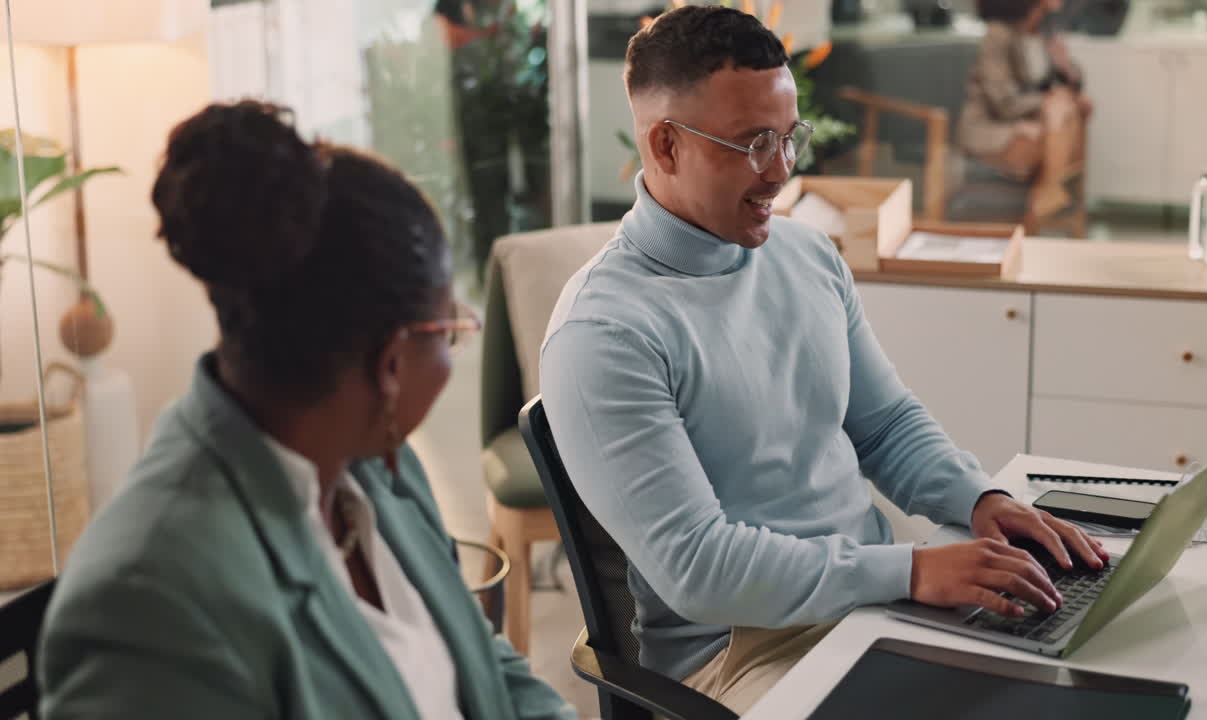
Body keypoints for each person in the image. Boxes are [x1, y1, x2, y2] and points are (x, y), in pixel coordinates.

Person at [539, 6, 1106, 714]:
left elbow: (886, 425)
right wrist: (912, 571)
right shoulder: (604, 334)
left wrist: (979, 500)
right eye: (753, 144)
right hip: (741, 653)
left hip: (873, 604)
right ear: (666, 145)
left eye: (789, 137)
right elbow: (699, 569)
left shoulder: (804, 252)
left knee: (1089, 680)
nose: (781, 170)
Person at [37, 101, 576, 720]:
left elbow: (478, 660)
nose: (456, 345)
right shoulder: (149, 607)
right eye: (449, 329)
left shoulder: (375, 468)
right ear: (391, 364)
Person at [958, 0, 1092, 220]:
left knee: (1072, 106)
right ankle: (1048, 195)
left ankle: (1046, 196)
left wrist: (1066, 67)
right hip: (992, 129)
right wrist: (1049, 101)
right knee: (1062, 106)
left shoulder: (1043, 31)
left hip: (1034, 124)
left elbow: (1057, 82)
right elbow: (1003, 102)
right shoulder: (998, 35)